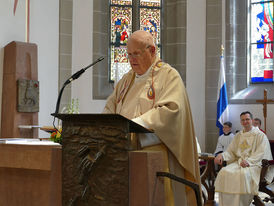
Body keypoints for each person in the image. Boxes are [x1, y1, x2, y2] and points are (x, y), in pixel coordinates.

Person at [103, 30, 201, 206]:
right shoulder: (126, 81)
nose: (131, 59)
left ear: (153, 50)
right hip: (123, 153)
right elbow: (110, 108)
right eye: (129, 54)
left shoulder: (169, 75)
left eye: (137, 54)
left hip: (157, 156)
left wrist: (134, 126)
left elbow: (171, 111)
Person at [214, 111, 273, 206]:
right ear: (240, 122)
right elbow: (231, 151)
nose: (245, 121)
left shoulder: (260, 135)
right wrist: (222, 155)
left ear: (252, 120)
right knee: (224, 172)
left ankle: (240, 204)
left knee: (242, 175)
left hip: (254, 165)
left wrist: (249, 161)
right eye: (243, 120)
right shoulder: (238, 135)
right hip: (239, 163)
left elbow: (261, 153)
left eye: (247, 119)